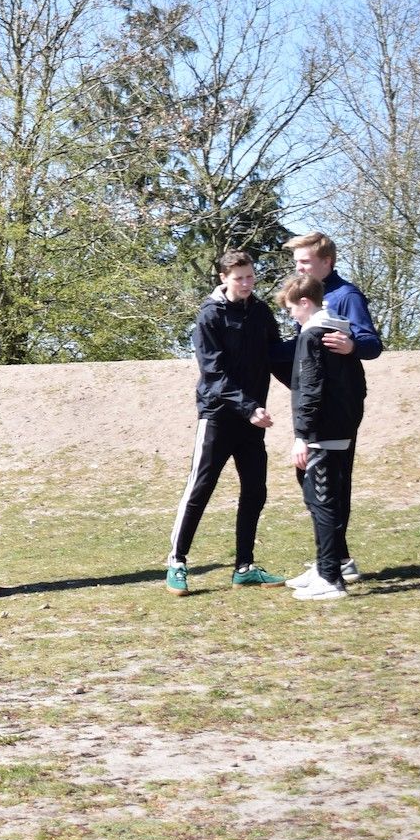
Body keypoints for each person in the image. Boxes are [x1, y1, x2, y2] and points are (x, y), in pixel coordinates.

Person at [166, 250, 287, 595]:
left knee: (256, 490)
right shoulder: (209, 316)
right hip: (218, 416)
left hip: (252, 420)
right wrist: (248, 407)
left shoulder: (261, 312)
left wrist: (307, 384)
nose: (247, 283)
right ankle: (177, 562)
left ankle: (244, 567)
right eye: (239, 278)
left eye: (250, 276)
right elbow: (213, 373)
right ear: (224, 279)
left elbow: (276, 355)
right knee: (200, 488)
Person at [283, 231, 382, 584]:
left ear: (327, 262)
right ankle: (334, 559)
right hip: (318, 408)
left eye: (305, 261)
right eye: (296, 262)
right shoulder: (305, 299)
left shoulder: (345, 295)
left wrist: (352, 344)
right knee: (311, 480)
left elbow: (372, 343)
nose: (299, 268)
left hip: (335, 410)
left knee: (331, 484)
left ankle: (334, 565)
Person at [278, 273, 368, 601]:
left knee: (322, 501)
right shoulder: (340, 332)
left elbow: (310, 388)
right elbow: (359, 386)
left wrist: (303, 436)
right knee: (322, 499)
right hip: (339, 429)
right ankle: (323, 567)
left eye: (291, 309)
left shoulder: (313, 334)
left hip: (322, 433)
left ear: (305, 302)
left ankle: (330, 578)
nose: (291, 315)